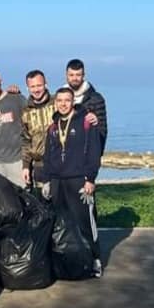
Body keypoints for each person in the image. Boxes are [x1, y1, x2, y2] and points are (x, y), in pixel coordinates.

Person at [40, 87, 104, 278]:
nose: (63, 104)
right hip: (57, 181)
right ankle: (66, 262)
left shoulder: (86, 123)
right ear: (55, 103)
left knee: (84, 222)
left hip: (79, 181)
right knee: (60, 223)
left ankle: (95, 260)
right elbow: (48, 155)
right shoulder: (53, 127)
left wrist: (90, 179)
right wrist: (46, 180)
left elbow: (94, 152)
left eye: (67, 100)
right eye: (59, 100)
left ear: (73, 101)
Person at [21, 69, 56, 187]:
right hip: (39, 165)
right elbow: (26, 140)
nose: (36, 90)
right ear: (28, 88)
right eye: (32, 86)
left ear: (46, 84)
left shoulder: (57, 102)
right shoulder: (25, 111)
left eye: (39, 85)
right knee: (42, 197)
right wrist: (26, 166)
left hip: (60, 163)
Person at [64, 58, 108, 151]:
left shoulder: (96, 99)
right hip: (65, 153)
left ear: (83, 75)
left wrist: (95, 155)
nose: (74, 78)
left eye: (78, 75)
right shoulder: (60, 98)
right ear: (66, 75)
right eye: (71, 75)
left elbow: (102, 131)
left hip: (86, 153)